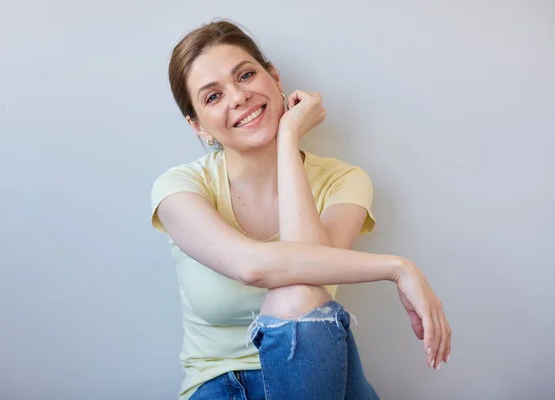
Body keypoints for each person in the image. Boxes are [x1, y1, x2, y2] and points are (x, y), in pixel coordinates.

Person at [151, 19, 451, 400]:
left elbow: (311, 280)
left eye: (245, 75)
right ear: (198, 127)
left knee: (299, 296)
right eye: (213, 97)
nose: (238, 97)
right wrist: (396, 268)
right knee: (293, 289)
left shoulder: (345, 180)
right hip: (225, 386)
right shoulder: (180, 188)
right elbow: (253, 267)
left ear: (275, 78)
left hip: (324, 378)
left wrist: (288, 139)